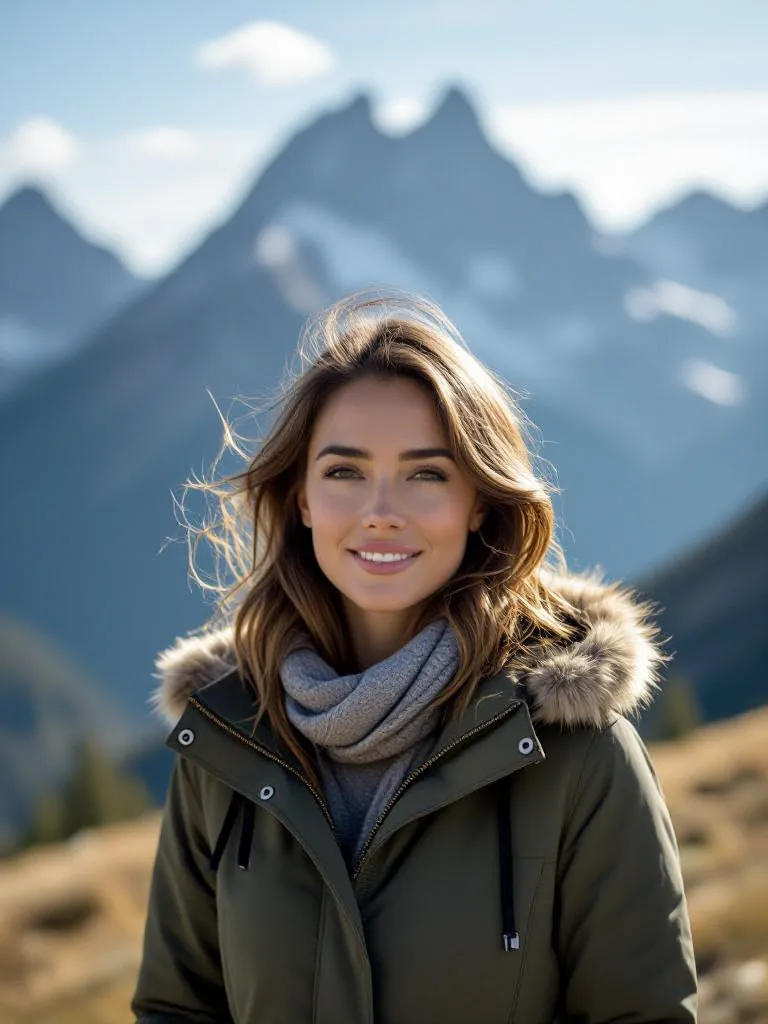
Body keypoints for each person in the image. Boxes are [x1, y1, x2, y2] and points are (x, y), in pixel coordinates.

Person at [131, 292, 698, 1023]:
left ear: (481, 503)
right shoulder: (224, 743)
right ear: (300, 497)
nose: (381, 510)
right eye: (344, 472)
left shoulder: (575, 752)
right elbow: (177, 1010)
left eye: (427, 473)